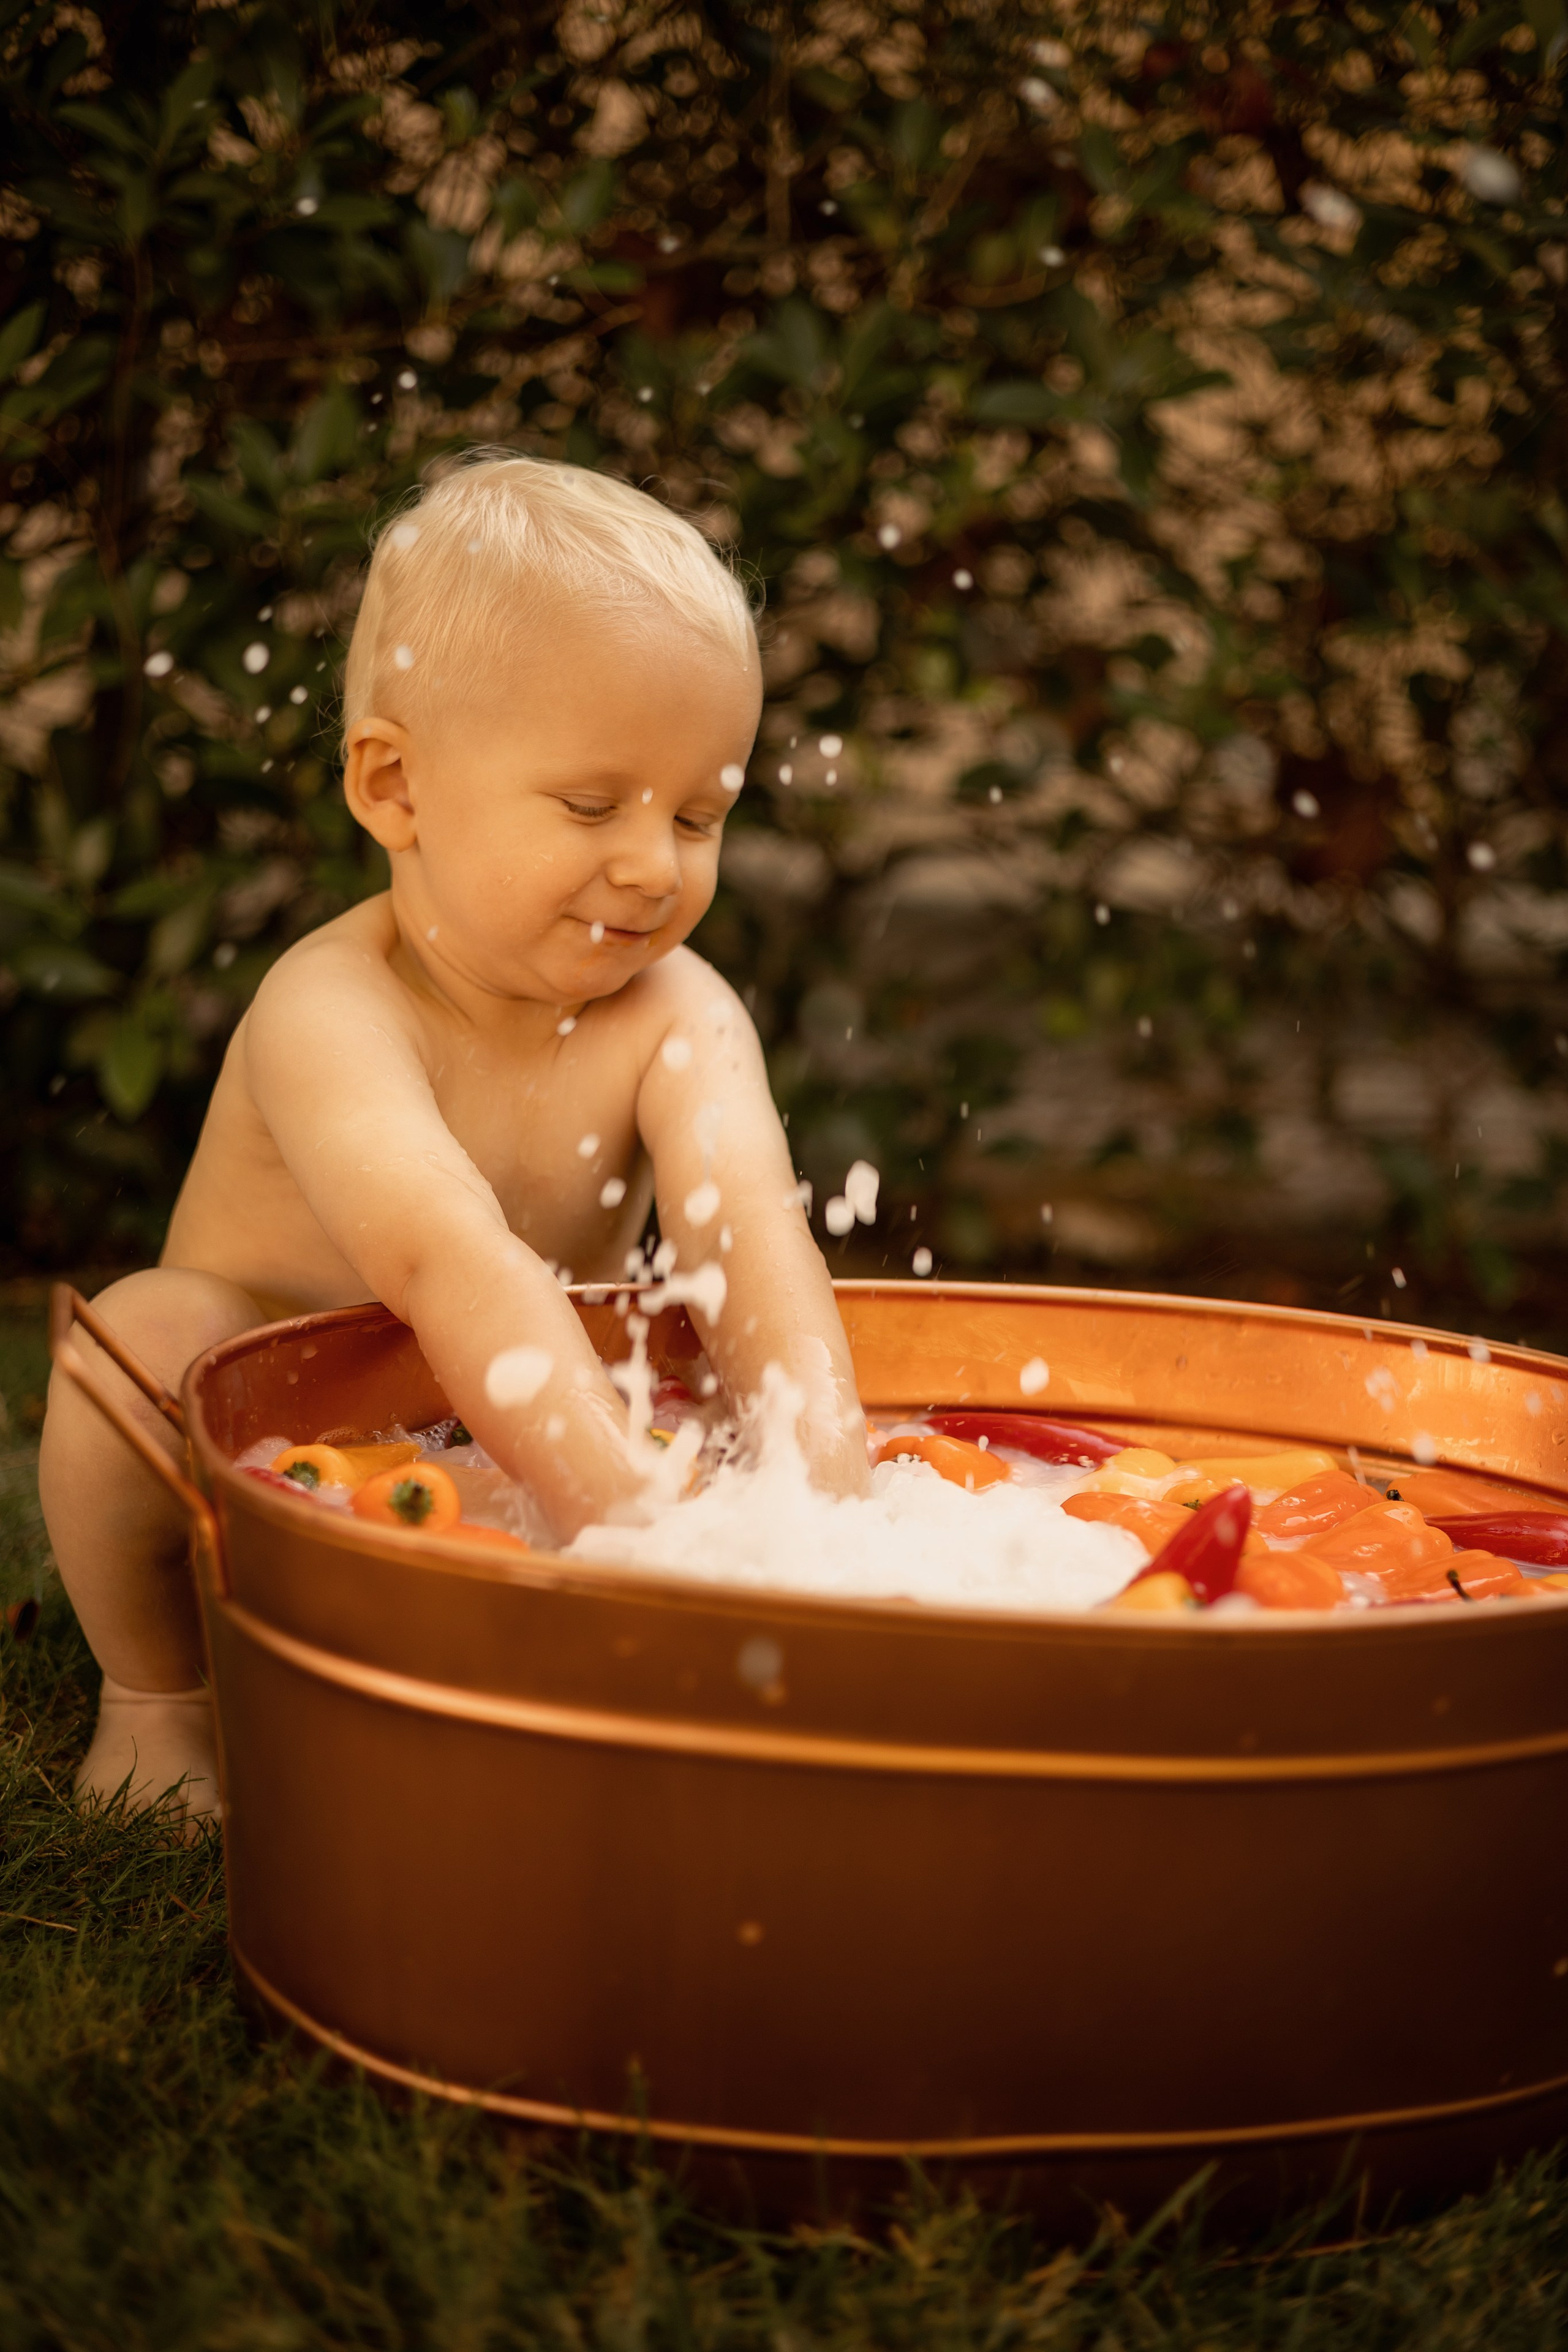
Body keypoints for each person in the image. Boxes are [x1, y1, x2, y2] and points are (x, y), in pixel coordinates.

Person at [40, 451, 870, 1828]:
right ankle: (158, 1695)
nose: (655, 865)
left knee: (684, 1366)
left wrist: (829, 1522)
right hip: (271, 1461)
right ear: (395, 789)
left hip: (513, 1433)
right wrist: (642, 1542)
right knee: (138, 1340)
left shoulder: (677, 1009)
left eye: (700, 813)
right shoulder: (335, 1005)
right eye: (593, 805)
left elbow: (749, 1238)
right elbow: (443, 1261)